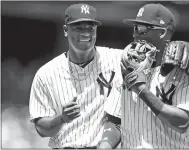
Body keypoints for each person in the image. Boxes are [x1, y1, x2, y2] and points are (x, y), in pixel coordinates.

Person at [107, 3, 189, 148]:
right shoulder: (126, 67)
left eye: (142, 29)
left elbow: (182, 122)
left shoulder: (184, 72)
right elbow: (115, 122)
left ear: (162, 32)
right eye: (135, 28)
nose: (135, 34)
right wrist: (104, 145)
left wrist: (142, 90)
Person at [29, 3, 121, 149]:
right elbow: (41, 129)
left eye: (90, 28)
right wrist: (61, 119)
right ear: (66, 30)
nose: (86, 33)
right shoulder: (46, 73)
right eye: (78, 28)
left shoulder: (116, 59)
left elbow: (142, 54)